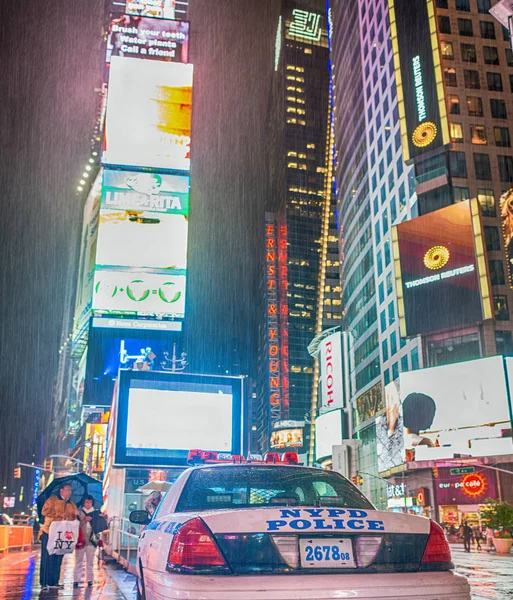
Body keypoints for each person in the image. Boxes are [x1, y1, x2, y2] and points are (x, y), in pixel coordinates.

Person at [40, 483, 78, 591]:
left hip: (62, 535)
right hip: (49, 532)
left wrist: (75, 514)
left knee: (58, 558)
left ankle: (54, 581)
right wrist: (59, 514)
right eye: (67, 490)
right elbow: (45, 511)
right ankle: (45, 582)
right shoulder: (52, 500)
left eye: (70, 490)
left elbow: (73, 520)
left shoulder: (72, 504)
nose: (69, 492)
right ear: (61, 490)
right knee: (48, 558)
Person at [74, 495, 101, 588]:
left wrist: (103, 518)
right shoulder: (79, 513)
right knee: (78, 561)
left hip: (92, 541)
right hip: (80, 540)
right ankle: (76, 580)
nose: (88, 504)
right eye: (86, 502)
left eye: (90, 502)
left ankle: (90, 580)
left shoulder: (96, 513)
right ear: (83, 503)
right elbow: (76, 526)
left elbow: (100, 526)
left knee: (90, 561)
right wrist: (84, 520)